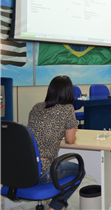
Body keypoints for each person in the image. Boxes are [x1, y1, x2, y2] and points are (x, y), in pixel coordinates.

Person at [27, 75, 85, 210]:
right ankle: (56, 206)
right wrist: (71, 130)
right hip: (43, 170)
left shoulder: (37, 107)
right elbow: (70, 140)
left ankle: (60, 206)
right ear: (68, 92)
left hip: (25, 167)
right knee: (80, 171)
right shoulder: (67, 109)